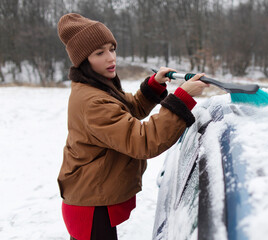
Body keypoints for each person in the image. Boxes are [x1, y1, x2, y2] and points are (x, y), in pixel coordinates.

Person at [57, 13, 209, 240]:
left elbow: (127, 110)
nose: (111, 58)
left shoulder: (97, 88)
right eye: (100, 53)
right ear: (83, 61)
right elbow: (143, 141)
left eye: (112, 48)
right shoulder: (93, 101)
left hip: (92, 197)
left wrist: (154, 86)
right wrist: (181, 99)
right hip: (90, 206)